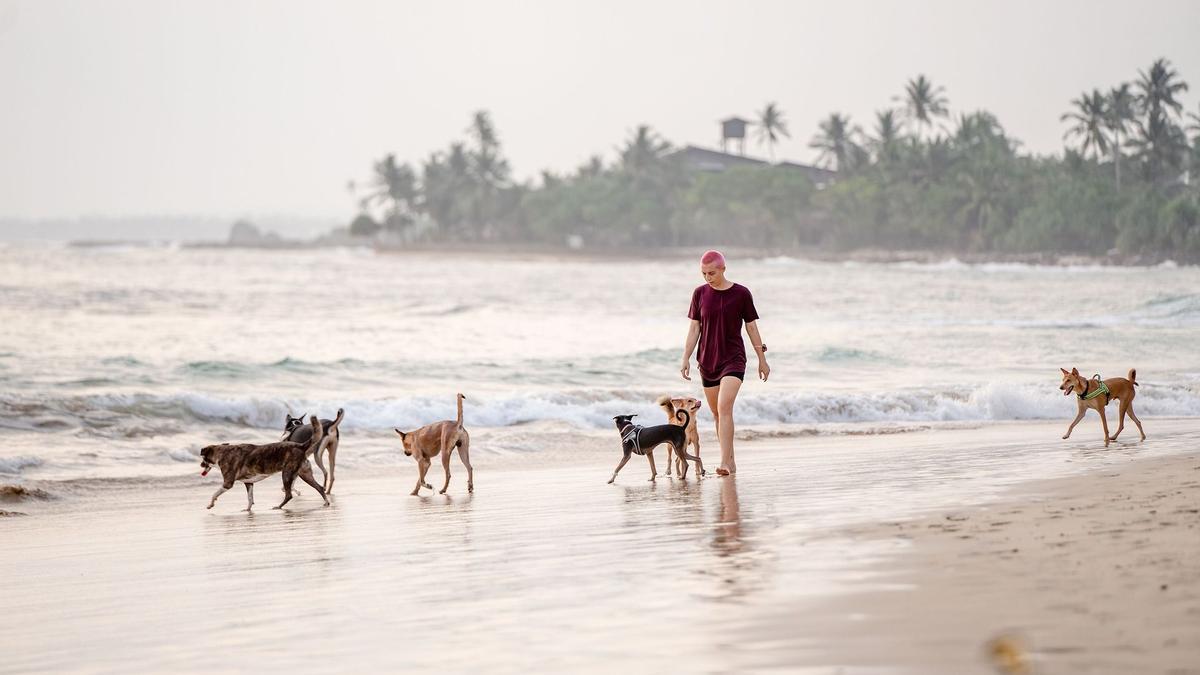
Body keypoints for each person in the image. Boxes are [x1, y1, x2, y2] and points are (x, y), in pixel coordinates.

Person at [680, 250, 769, 476]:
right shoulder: (699, 294)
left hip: (733, 359)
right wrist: (686, 357)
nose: (708, 277)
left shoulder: (741, 293)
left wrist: (762, 359)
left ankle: (724, 463)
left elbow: (751, 327)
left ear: (723, 269)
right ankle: (731, 461)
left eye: (712, 273)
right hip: (708, 361)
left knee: (724, 407)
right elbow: (694, 329)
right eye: (703, 273)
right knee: (717, 415)